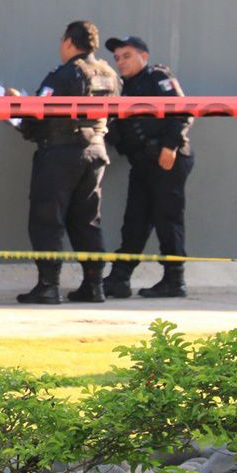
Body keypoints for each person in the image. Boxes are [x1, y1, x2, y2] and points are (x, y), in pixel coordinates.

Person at [7, 20, 120, 305]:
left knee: (47, 218)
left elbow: (38, 113)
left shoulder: (65, 74)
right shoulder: (109, 74)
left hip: (60, 152)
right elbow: (115, 113)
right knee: (87, 220)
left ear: (69, 41)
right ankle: (94, 285)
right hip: (96, 151)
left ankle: (48, 286)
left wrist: (17, 108)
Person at [102, 36, 194, 299]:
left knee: (168, 219)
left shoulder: (157, 77)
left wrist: (170, 145)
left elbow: (183, 110)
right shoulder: (123, 88)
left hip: (167, 158)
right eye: (117, 57)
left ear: (144, 55)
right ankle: (120, 278)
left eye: (127, 55)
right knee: (135, 221)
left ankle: (174, 280)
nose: (120, 61)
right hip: (142, 162)